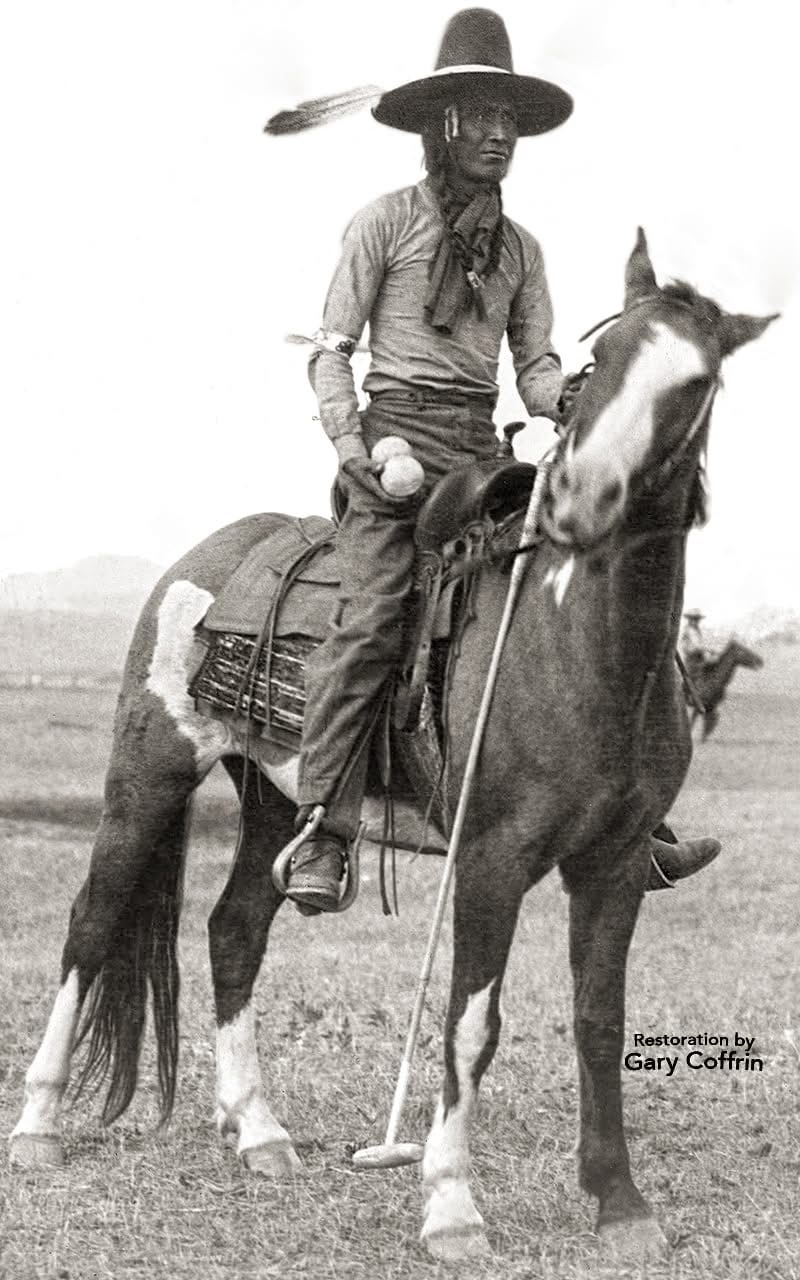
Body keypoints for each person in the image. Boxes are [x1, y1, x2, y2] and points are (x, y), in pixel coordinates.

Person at [281, 8, 720, 913]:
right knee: (370, 622)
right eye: (484, 117)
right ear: (443, 126)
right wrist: (360, 447)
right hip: (394, 444)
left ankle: (622, 815)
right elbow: (329, 351)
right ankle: (324, 824)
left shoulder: (523, 251)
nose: (502, 136)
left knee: (579, 585)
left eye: (511, 121)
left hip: (481, 453)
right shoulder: (382, 227)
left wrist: (582, 400)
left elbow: (535, 366)